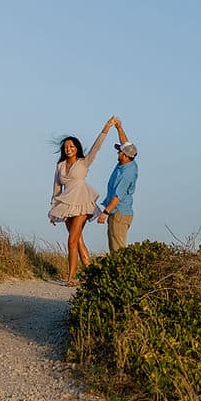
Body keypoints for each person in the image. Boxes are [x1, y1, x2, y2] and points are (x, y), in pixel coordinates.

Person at [49, 116, 115, 284]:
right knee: (78, 240)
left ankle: (71, 278)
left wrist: (106, 128)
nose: (68, 149)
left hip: (82, 202)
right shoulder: (60, 166)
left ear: (77, 148)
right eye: (66, 147)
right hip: (66, 204)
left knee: (72, 240)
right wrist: (53, 210)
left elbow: (96, 147)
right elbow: (57, 188)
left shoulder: (84, 162)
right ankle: (92, 274)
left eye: (71, 146)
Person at [96, 117, 138, 252]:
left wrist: (105, 213)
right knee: (114, 246)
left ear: (125, 155)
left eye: (120, 151)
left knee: (118, 250)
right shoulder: (128, 162)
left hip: (119, 213)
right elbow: (125, 143)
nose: (118, 152)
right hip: (118, 213)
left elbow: (117, 196)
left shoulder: (126, 174)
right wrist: (119, 128)